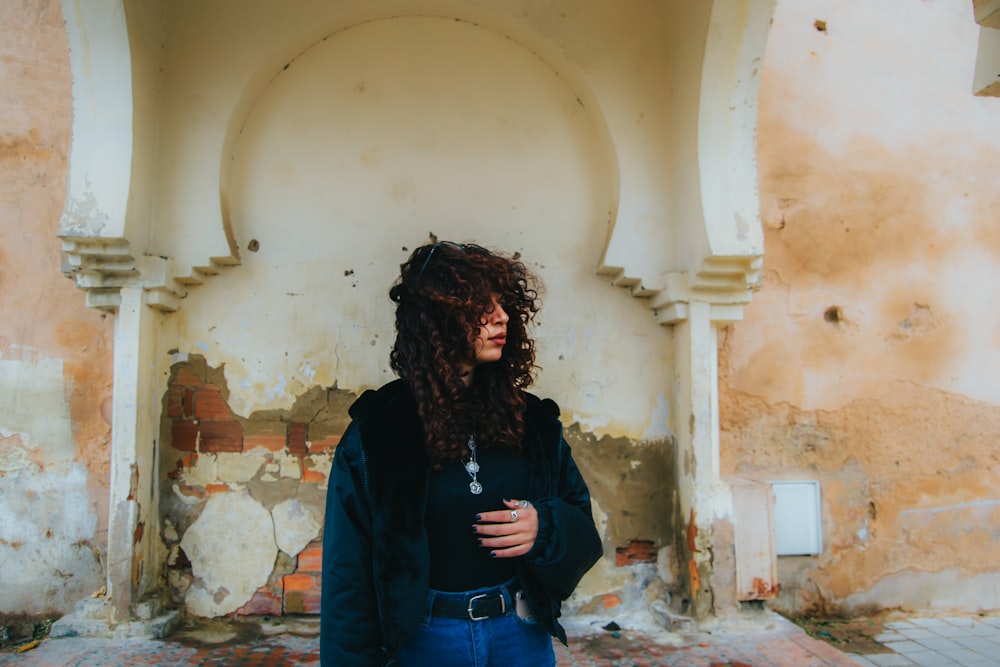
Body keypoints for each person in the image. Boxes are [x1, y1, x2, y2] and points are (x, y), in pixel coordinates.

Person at [320, 241, 603, 666]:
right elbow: (348, 579)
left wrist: (544, 527)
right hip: (427, 643)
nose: (502, 315)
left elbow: (582, 526)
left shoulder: (534, 423)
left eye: (503, 303)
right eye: (480, 305)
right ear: (437, 318)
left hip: (520, 637)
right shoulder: (378, 434)